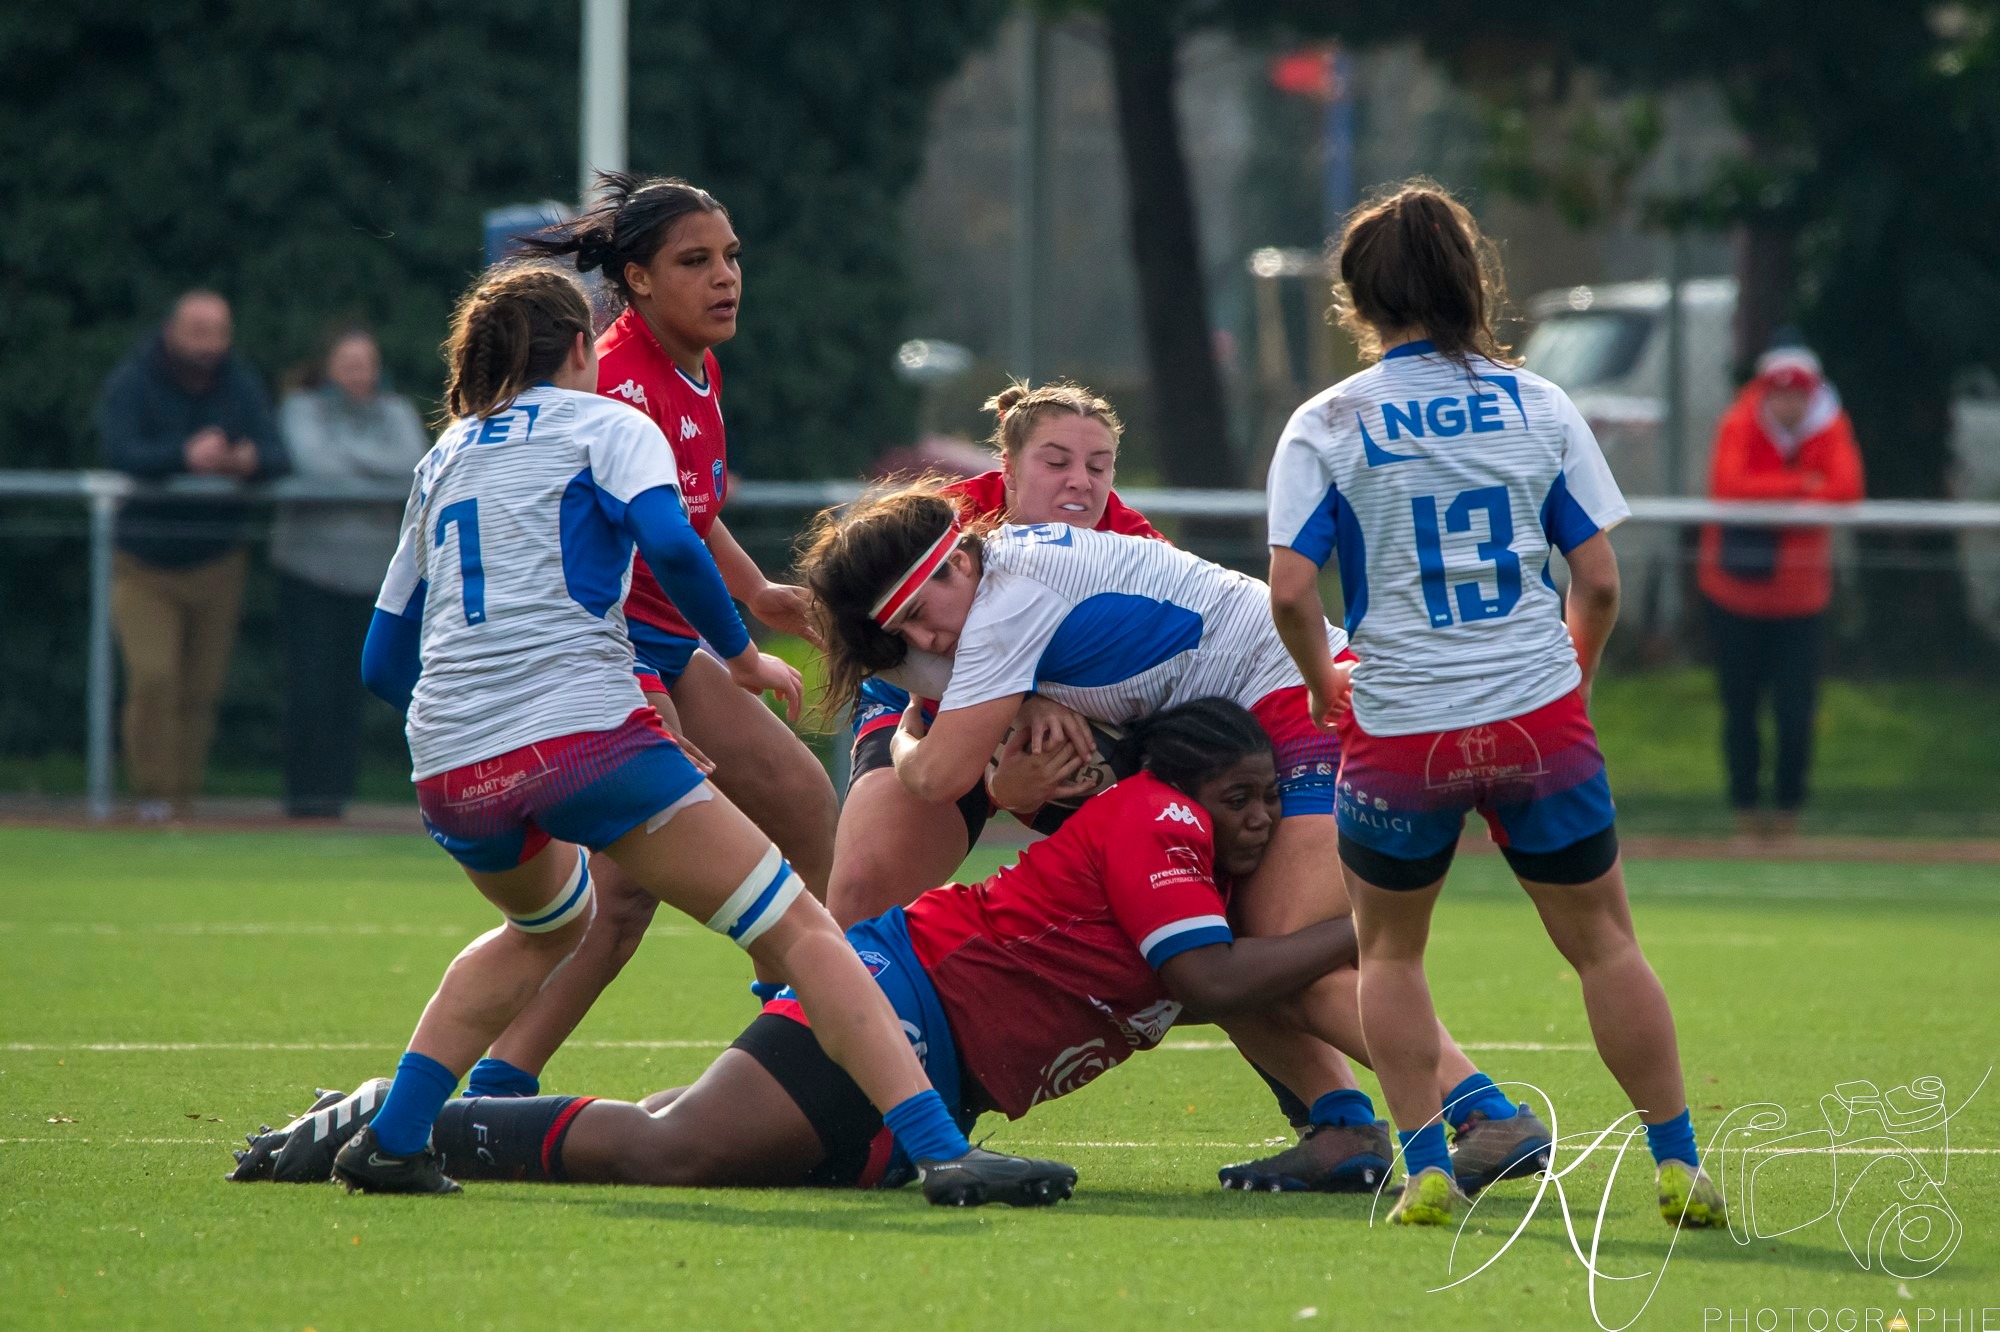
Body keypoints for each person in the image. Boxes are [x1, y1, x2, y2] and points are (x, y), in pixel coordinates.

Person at [341, 262, 1071, 1206]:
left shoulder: (443, 459)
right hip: (583, 734)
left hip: (449, 761)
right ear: (579, 349)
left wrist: (471, 723)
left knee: (541, 927)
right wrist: (739, 652)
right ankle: (940, 1152)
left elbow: (380, 660)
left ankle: (396, 1138)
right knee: (806, 931)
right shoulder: (609, 421)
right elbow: (675, 542)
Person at [234, 701, 1374, 1197]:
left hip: (947, 1063)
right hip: (910, 1001)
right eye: (1243, 796)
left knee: (698, 1130)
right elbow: (1207, 984)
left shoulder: (1182, 850)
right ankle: (396, 1116)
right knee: (674, 1150)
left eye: (1272, 796)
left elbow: (1234, 985)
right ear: (1187, 788)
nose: (1263, 818)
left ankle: (409, 1116)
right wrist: (1365, 927)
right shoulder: (1163, 818)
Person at [799, 481, 1555, 1196]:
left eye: (923, 610)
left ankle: (1486, 1112)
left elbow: (933, 778)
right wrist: (1018, 701)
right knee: (1207, 944)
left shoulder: (1001, 608)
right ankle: (1341, 1127)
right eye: (904, 631)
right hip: (1292, 715)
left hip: (1315, 711)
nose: (928, 636)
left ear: (961, 559)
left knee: (1268, 955)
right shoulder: (1001, 578)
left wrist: (904, 726)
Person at [1263, 179, 1726, 1228]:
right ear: (1471, 282)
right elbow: (1597, 581)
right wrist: (1569, 679)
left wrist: (1321, 687)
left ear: (1357, 297)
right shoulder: (1538, 404)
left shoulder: (1327, 422)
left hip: (1399, 726)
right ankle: (1676, 1160)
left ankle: (1425, 1168)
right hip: (1534, 719)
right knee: (1603, 945)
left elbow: (1292, 591)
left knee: (1386, 953)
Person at [456, 176, 840, 1094]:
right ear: (635, 279)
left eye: (732, 257)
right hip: (616, 651)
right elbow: (627, 548)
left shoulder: (696, 365)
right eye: (695, 261)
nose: (726, 278)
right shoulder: (618, 383)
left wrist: (758, 595)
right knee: (630, 894)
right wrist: (663, 684)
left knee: (791, 806)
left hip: (664, 649)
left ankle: (788, 1034)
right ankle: (791, 1047)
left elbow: (689, 509)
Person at [830, 379, 1166, 927]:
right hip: (926, 705)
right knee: (864, 893)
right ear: (1008, 468)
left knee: (1173, 911)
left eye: (1100, 466)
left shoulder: (1138, 549)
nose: (1080, 481)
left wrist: (1028, 719)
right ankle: (803, 1008)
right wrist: (1020, 700)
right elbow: (861, 620)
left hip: (1064, 738)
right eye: (1056, 462)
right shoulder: (942, 521)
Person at [95, 290, 287, 821]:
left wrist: (249, 460)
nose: (210, 345)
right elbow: (120, 450)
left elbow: (278, 453)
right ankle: (152, 797)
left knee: (201, 691)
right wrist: (184, 456)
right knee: (155, 678)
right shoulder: (133, 381)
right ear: (172, 331)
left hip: (217, 562)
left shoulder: (240, 383)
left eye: (219, 333)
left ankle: (183, 803)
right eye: (198, 332)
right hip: (144, 565)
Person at [1696, 345, 1865, 838]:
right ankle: (1746, 815)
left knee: (1795, 714)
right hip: (1735, 595)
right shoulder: (1739, 422)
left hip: (1801, 600)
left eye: (1799, 395)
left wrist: (1775, 495)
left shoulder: (1831, 426)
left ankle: (1789, 815)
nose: (1789, 405)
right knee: (1741, 709)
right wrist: (1801, 486)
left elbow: (1847, 488)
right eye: (1780, 394)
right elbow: (1731, 487)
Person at [269, 327, 430, 819]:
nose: (359, 374)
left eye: (367, 363)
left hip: (373, 580)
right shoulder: (301, 408)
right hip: (310, 573)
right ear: (327, 367)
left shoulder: (397, 412)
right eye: (348, 363)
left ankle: (337, 799)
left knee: (354, 693)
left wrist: (349, 467)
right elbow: (316, 467)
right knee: (311, 689)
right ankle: (303, 800)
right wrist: (374, 475)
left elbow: (414, 466)